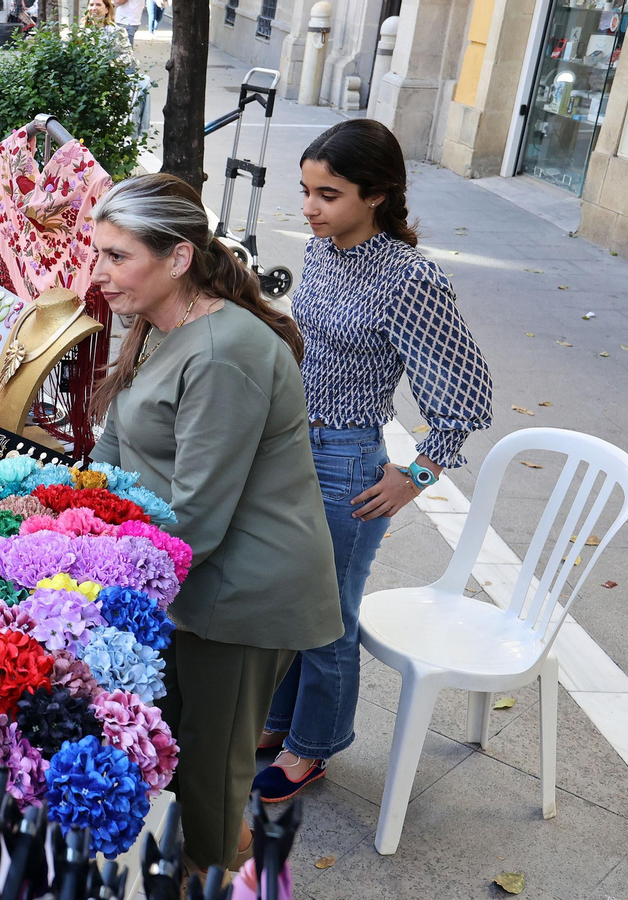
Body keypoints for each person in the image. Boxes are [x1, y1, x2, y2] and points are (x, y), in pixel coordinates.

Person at [87, 174, 343, 873]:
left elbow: (198, 514)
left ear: (177, 259)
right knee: (179, 742)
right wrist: (73, 513)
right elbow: (116, 444)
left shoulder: (221, 352)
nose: (99, 274)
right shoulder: (164, 321)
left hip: (241, 594)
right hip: (190, 574)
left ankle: (215, 869)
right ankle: (221, 850)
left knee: (207, 761)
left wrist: (101, 581)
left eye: (116, 256)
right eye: (97, 253)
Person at [252, 119, 493, 801]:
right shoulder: (325, 250)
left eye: (327, 194)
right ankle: (279, 720)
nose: (309, 208)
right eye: (305, 190)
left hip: (347, 462)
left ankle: (312, 747)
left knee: (328, 614)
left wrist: (416, 475)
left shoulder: (411, 279)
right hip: (293, 444)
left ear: (377, 193)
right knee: (288, 596)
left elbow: (467, 394)